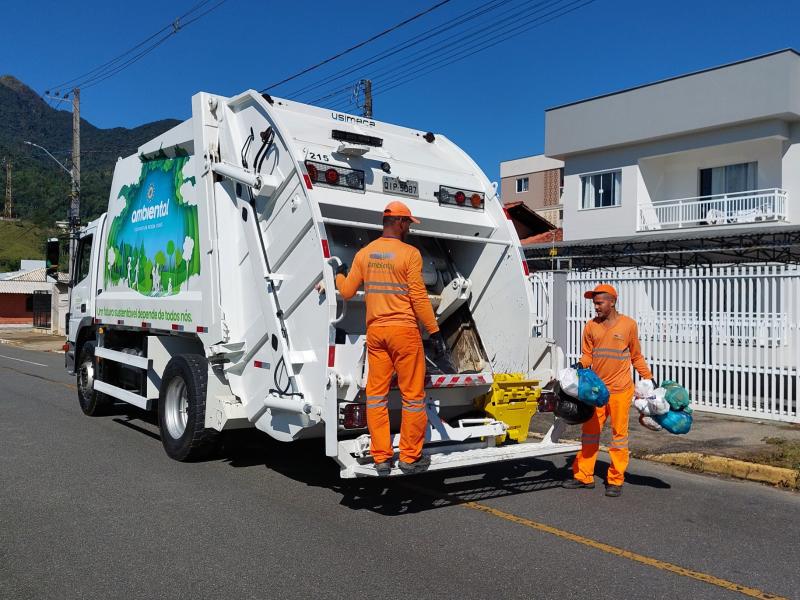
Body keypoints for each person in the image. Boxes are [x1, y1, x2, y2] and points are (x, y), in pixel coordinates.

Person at [334, 201, 450, 475]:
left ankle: (382, 457)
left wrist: (338, 275)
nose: (409, 227)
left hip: (376, 334)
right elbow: (419, 297)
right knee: (412, 397)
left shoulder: (365, 254)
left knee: (376, 397)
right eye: (408, 222)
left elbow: (348, 292)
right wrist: (434, 332)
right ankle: (409, 457)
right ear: (398, 222)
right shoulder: (410, 254)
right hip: (404, 333)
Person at [562, 283, 654, 497]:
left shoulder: (628, 325)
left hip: (621, 391)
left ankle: (615, 479)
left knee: (619, 436)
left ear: (612, 302)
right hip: (597, 392)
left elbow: (636, 356)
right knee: (590, 434)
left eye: (599, 303)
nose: (595, 307)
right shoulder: (590, 326)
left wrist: (648, 377)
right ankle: (584, 476)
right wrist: (579, 366)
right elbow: (587, 355)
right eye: (594, 303)